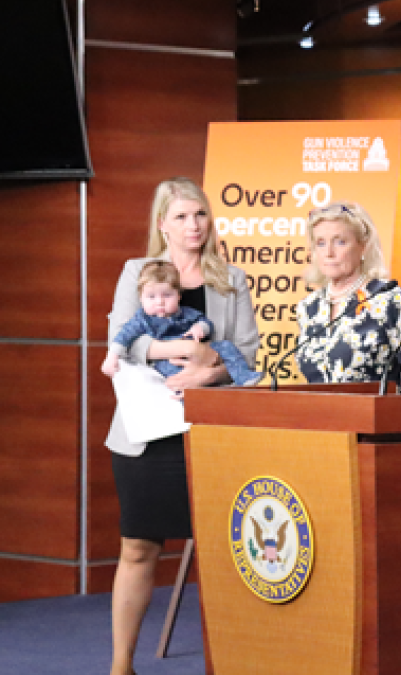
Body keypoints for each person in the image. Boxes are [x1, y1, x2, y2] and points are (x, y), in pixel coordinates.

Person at [105, 177, 259, 675]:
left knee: (221, 551)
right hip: (146, 435)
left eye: (201, 215)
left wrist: (210, 370)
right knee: (138, 546)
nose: (194, 226)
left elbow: (249, 355)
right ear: (162, 224)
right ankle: (121, 665)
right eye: (182, 217)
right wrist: (184, 350)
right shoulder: (137, 272)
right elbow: (121, 342)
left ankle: (227, 662)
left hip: (211, 431)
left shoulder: (231, 278)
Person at [294, 202, 401, 383]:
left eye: (340, 242)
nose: (328, 253)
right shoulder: (308, 308)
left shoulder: (391, 300)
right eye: (321, 243)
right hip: (317, 410)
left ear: (363, 246)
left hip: (376, 409)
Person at [102, 261, 262, 386]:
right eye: (151, 297)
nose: (160, 302)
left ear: (178, 295)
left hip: (204, 359)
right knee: (177, 377)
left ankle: (244, 376)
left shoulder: (185, 312)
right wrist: (111, 358)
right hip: (167, 361)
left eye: (167, 295)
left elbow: (205, 322)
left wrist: (200, 328)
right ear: (141, 298)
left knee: (227, 346)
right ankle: (185, 403)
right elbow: (122, 337)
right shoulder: (142, 319)